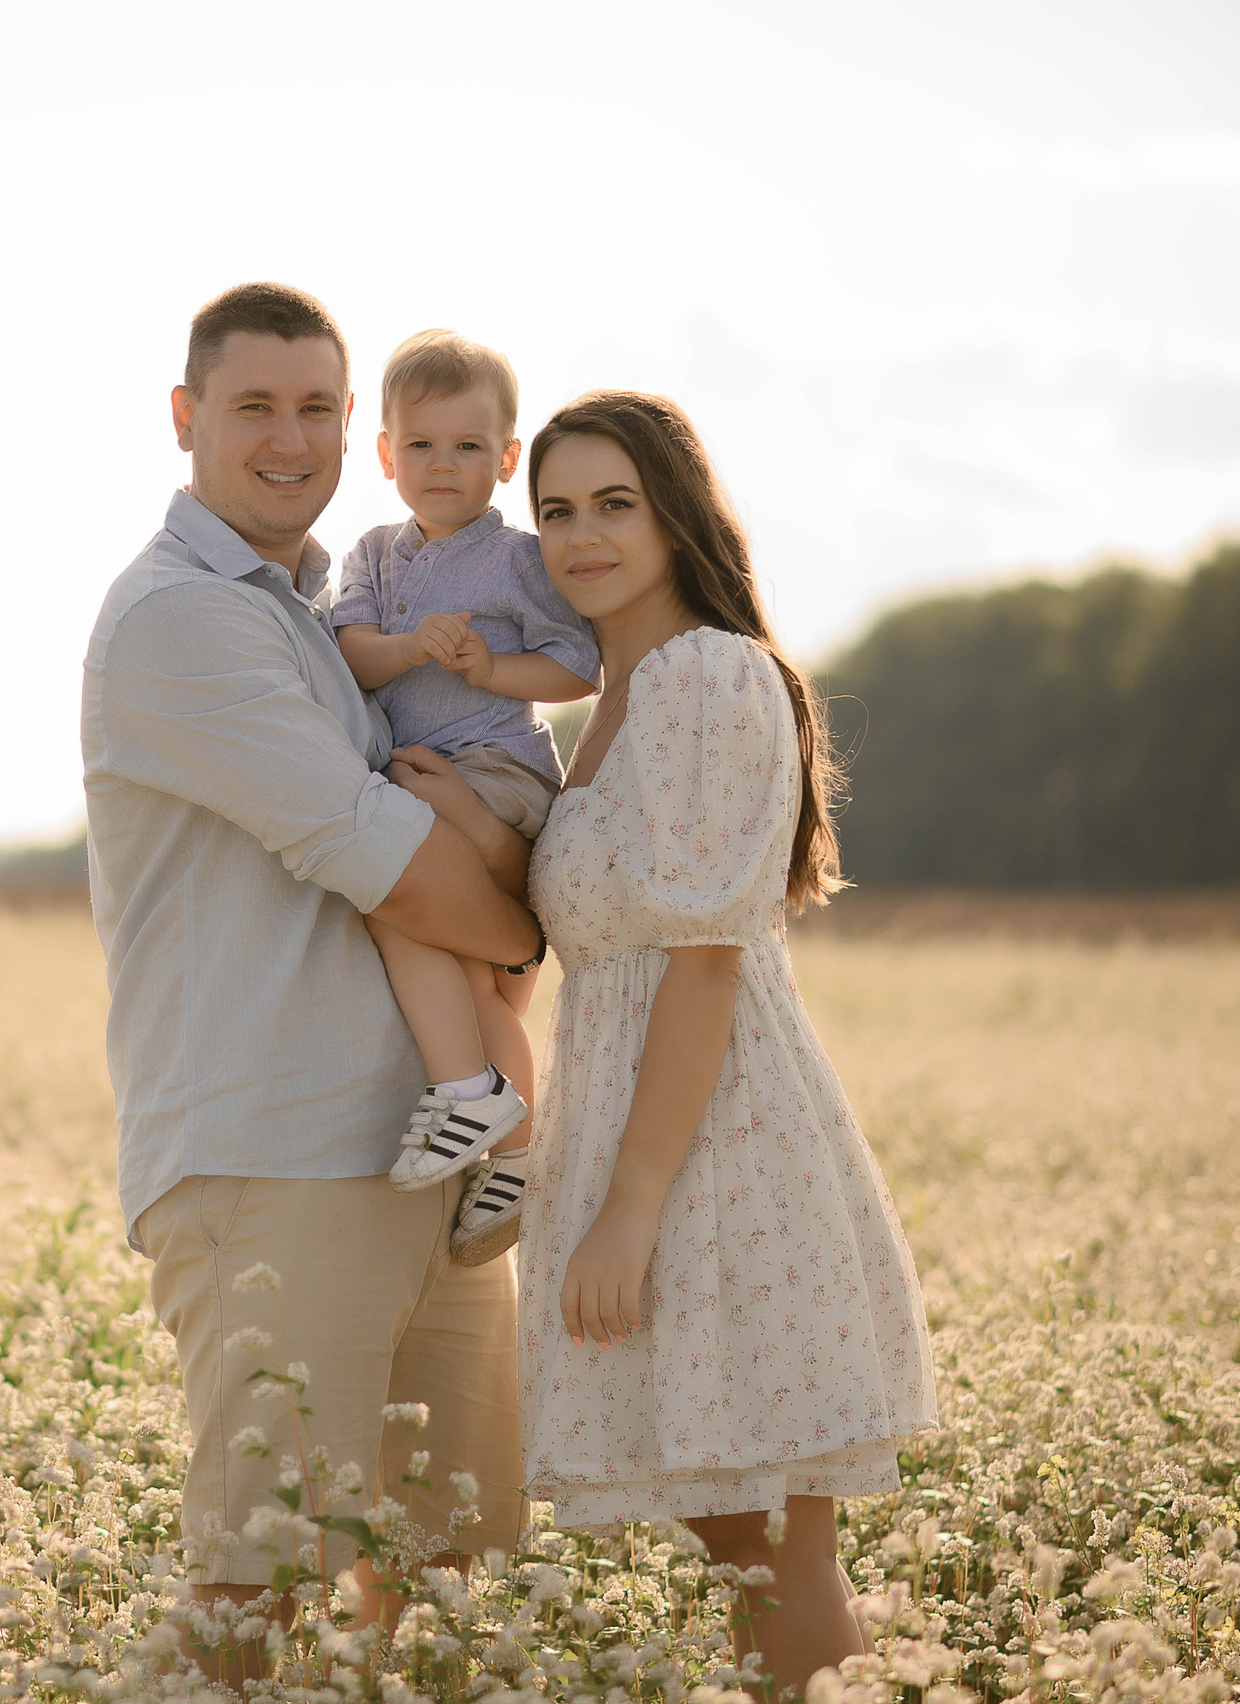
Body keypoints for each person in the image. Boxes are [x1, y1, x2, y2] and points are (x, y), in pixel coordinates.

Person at [396, 390, 938, 1701]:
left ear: (677, 513)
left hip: (718, 1147)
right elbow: (585, 919)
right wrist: (469, 816)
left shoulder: (703, 675)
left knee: (768, 1543)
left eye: (614, 505)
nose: (581, 537)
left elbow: (701, 966)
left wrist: (631, 1208)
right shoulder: (615, 694)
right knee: (740, 1536)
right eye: (557, 512)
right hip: (656, 1133)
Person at [80, 283, 543, 1673]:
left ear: (358, 427)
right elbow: (391, 867)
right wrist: (529, 931)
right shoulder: (182, 621)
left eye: (319, 409)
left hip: (419, 1154)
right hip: (275, 1155)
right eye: (254, 408)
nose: (292, 440)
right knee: (257, 1588)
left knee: (445, 1585)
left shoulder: (329, 609)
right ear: (185, 420)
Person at [327, 329, 597, 1265]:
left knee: (396, 899)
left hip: (498, 770)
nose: (445, 465)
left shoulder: (518, 559)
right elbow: (352, 650)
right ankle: (513, 1152)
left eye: (470, 447)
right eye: (425, 446)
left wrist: (491, 666)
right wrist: (409, 651)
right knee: (477, 975)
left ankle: (468, 1092)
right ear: (387, 455)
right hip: (424, 772)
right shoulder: (372, 554)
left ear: (507, 457)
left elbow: (577, 663)